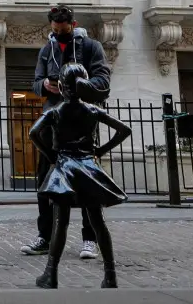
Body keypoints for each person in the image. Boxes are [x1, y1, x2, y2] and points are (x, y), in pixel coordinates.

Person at [20, 4, 111, 261]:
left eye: (64, 29)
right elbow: (36, 83)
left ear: (73, 24)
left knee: (87, 183)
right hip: (53, 122)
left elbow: (103, 81)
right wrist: (46, 85)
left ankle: (89, 239)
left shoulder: (91, 47)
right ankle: (44, 237)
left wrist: (74, 85)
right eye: (55, 29)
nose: (59, 33)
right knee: (45, 182)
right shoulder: (46, 50)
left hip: (82, 122)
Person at [28, 62, 131, 289]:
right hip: (88, 168)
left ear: (62, 87)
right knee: (98, 223)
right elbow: (125, 130)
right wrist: (101, 150)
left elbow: (33, 133)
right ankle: (110, 274)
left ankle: (51, 274)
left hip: (64, 168)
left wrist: (50, 154)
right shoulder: (93, 110)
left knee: (60, 223)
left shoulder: (55, 111)